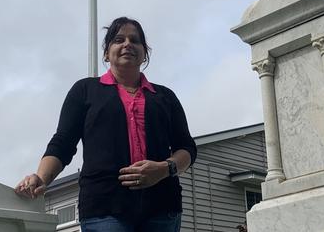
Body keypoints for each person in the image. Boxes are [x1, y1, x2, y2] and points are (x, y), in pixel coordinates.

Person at [15, 17, 197, 232]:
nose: (127, 44)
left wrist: (164, 169)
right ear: (106, 52)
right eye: (119, 39)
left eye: (135, 40)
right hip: (104, 208)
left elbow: (186, 147)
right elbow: (63, 142)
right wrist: (41, 177)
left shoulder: (165, 96)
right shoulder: (85, 90)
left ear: (144, 53)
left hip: (162, 208)